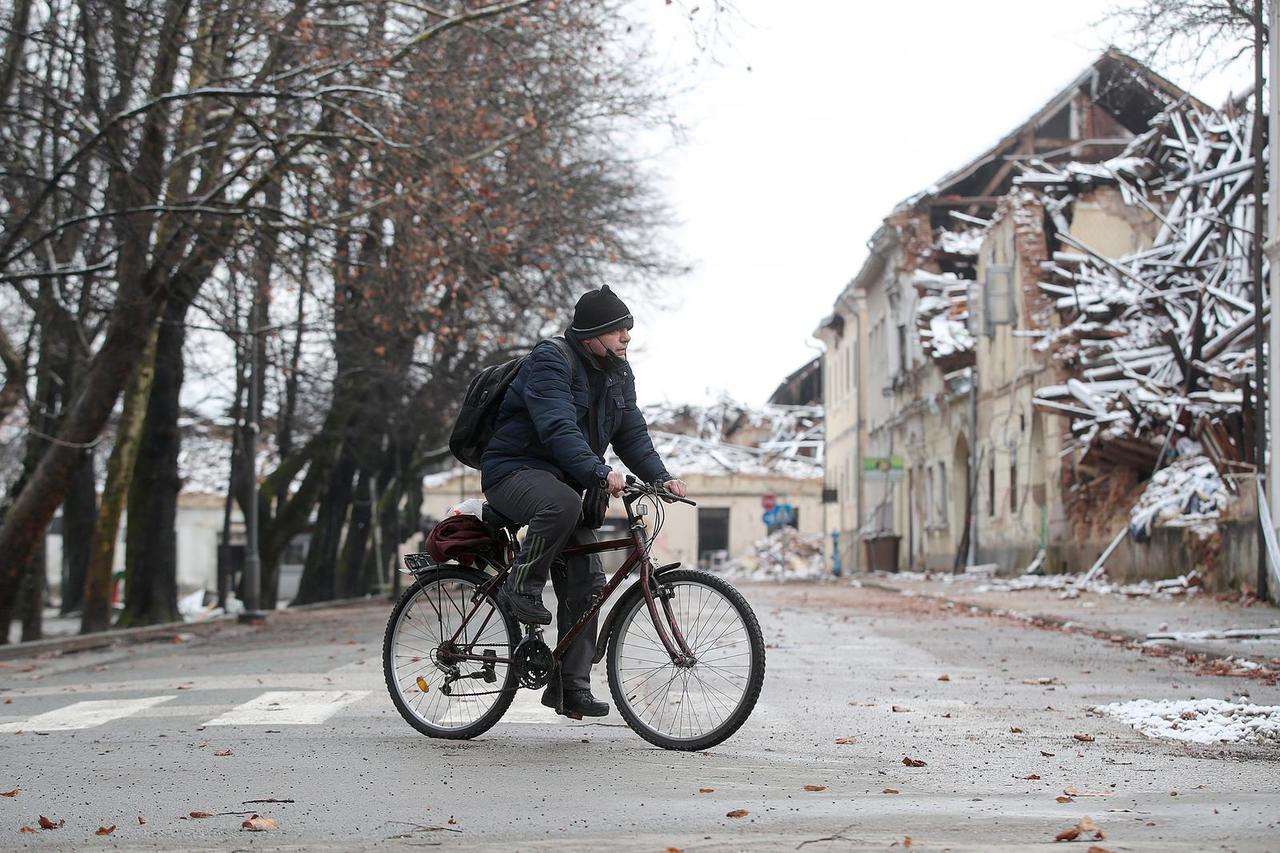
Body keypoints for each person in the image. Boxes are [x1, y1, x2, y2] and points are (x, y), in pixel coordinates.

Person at [481, 285, 687, 719]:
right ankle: (523, 584)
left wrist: (661, 477)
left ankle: (569, 687)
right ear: (592, 334)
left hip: (564, 482)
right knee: (563, 504)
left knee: (588, 581)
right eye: (618, 330)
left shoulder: (618, 372)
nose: (626, 337)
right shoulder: (551, 360)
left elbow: (632, 433)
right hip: (513, 471)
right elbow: (557, 428)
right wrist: (597, 472)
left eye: (628, 329)